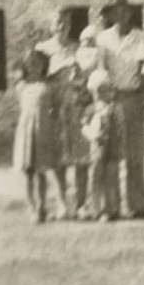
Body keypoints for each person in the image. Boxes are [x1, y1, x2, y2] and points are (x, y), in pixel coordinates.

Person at [96, 0, 144, 218]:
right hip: (111, 99)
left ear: (130, 13)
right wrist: (104, 99)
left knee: (135, 155)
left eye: (123, 10)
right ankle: (111, 206)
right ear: (109, 15)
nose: (120, 15)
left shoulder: (141, 37)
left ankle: (137, 204)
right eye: (114, 11)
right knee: (111, 157)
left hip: (133, 98)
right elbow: (101, 69)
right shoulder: (102, 39)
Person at [35, 11, 83, 218]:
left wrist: (77, 77)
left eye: (65, 21)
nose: (62, 25)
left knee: (80, 156)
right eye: (57, 22)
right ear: (51, 25)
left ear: (70, 24)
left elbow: (84, 76)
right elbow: (36, 77)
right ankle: (62, 203)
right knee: (57, 158)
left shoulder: (77, 47)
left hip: (75, 106)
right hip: (53, 108)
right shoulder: (42, 49)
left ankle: (81, 205)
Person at [12, 50, 58, 224]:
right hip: (27, 131)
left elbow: (53, 109)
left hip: (43, 130)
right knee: (28, 172)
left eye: (37, 63)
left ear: (43, 65)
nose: (34, 67)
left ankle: (42, 206)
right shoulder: (22, 87)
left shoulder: (48, 86)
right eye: (30, 64)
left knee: (41, 172)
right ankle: (31, 207)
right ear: (25, 66)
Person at [81, 69, 125, 222]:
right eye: (97, 91)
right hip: (97, 147)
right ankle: (96, 208)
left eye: (104, 90)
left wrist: (120, 142)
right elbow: (84, 127)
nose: (100, 94)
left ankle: (112, 208)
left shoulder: (115, 108)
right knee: (96, 176)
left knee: (112, 175)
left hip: (112, 146)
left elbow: (120, 127)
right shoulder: (90, 109)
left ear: (110, 90)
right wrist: (93, 135)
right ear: (92, 92)